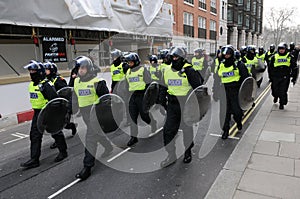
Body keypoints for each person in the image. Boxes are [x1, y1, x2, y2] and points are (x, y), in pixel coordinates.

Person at [160, 46, 203, 168]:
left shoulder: (189, 70)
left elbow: (199, 88)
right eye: (172, 57)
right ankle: (171, 155)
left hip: (186, 104)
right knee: (168, 131)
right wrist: (161, 100)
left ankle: (188, 151)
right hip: (173, 105)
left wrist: (198, 107)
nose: (174, 59)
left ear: (182, 58)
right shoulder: (167, 70)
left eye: (176, 57)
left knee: (186, 129)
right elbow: (163, 86)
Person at [20, 60, 68, 169]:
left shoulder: (46, 85)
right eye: (30, 71)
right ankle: (34, 159)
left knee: (56, 132)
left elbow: (55, 100)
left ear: (40, 72)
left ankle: (63, 152)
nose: (31, 73)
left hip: (48, 112)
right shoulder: (32, 85)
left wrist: (56, 115)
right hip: (37, 113)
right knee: (35, 135)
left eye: (33, 71)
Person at [73, 56, 113, 180]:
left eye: (83, 68)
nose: (80, 71)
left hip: (96, 114)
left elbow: (106, 100)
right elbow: (74, 97)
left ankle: (87, 167)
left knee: (90, 138)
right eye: (79, 68)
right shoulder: (76, 82)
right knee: (96, 134)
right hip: (85, 114)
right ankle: (108, 146)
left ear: (89, 68)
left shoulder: (98, 82)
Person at [124, 52, 157, 147]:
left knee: (144, 115)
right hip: (132, 97)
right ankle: (133, 137)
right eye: (128, 63)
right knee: (132, 118)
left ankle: (152, 123)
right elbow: (127, 86)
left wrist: (149, 98)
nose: (129, 64)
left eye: (131, 62)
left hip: (142, 95)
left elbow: (149, 84)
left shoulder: (143, 70)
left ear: (136, 62)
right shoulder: (128, 72)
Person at [217, 45, 249, 139]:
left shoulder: (239, 65)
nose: (226, 56)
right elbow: (217, 79)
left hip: (235, 92)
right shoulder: (221, 65)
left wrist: (246, 94)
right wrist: (215, 92)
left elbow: (246, 79)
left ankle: (238, 121)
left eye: (228, 54)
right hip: (224, 92)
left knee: (237, 112)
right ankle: (225, 130)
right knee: (224, 113)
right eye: (224, 54)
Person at [44, 62, 77, 150]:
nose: (45, 71)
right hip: (52, 106)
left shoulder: (59, 80)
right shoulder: (46, 81)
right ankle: (61, 136)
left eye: (47, 70)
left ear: (52, 70)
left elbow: (66, 92)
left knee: (62, 124)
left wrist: (66, 106)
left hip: (61, 106)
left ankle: (71, 127)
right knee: (56, 125)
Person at [268, 42, 293, 110]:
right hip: (276, 76)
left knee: (283, 91)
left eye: (283, 49)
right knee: (275, 90)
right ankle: (275, 96)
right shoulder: (274, 56)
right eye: (280, 49)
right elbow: (270, 67)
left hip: (285, 77)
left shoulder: (289, 56)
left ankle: (282, 103)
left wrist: (293, 76)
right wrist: (270, 77)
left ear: (285, 49)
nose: (281, 50)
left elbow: (294, 66)